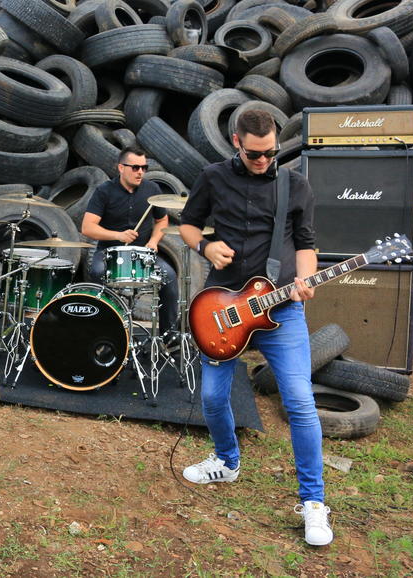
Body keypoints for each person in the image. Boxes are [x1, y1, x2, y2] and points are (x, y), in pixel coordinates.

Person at [178, 109, 332, 546]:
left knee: (300, 402)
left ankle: (314, 503)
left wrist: (304, 279)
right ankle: (226, 462)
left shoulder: (295, 184)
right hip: (222, 306)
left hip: (279, 309)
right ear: (235, 142)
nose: (263, 161)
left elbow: (306, 243)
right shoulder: (211, 177)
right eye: (254, 154)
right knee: (211, 395)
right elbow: (187, 225)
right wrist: (206, 247)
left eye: (270, 153)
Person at [81, 145, 179, 333]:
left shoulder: (152, 189)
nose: (140, 172)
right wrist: (117, 235)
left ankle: (170, 337)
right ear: (121, 168)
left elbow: (162, 221)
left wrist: (153, 242)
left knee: (170, 278)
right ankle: (106, 332)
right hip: (109, 252)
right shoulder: (104, 191)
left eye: (144, 168)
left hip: (143, 253)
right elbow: (88, 227)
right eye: (135, 167)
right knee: (98, 273)